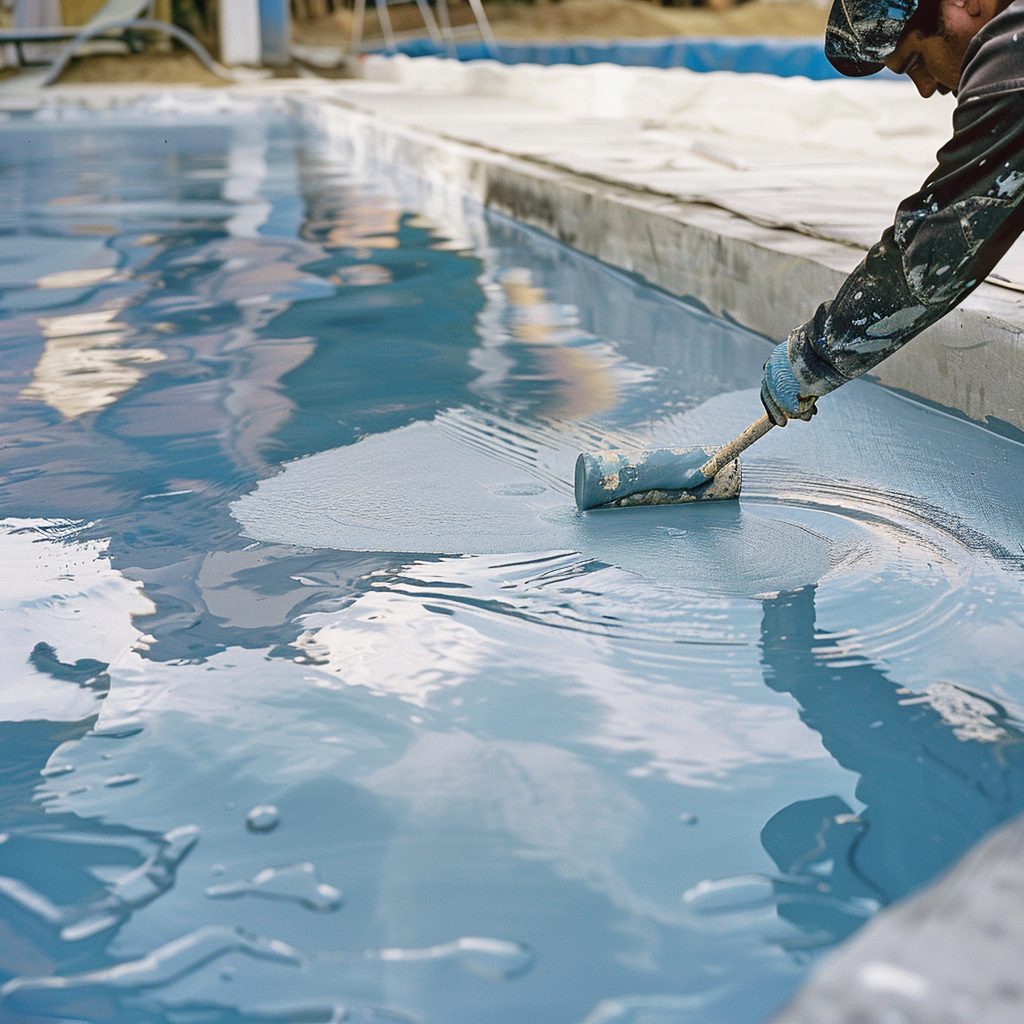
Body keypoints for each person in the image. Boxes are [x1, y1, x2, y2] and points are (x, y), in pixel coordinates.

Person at [759, 0, 1024, 426]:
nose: (924, 87)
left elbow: (936, 248)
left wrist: (815, 356)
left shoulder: (1013, 58)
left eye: (916, 58)